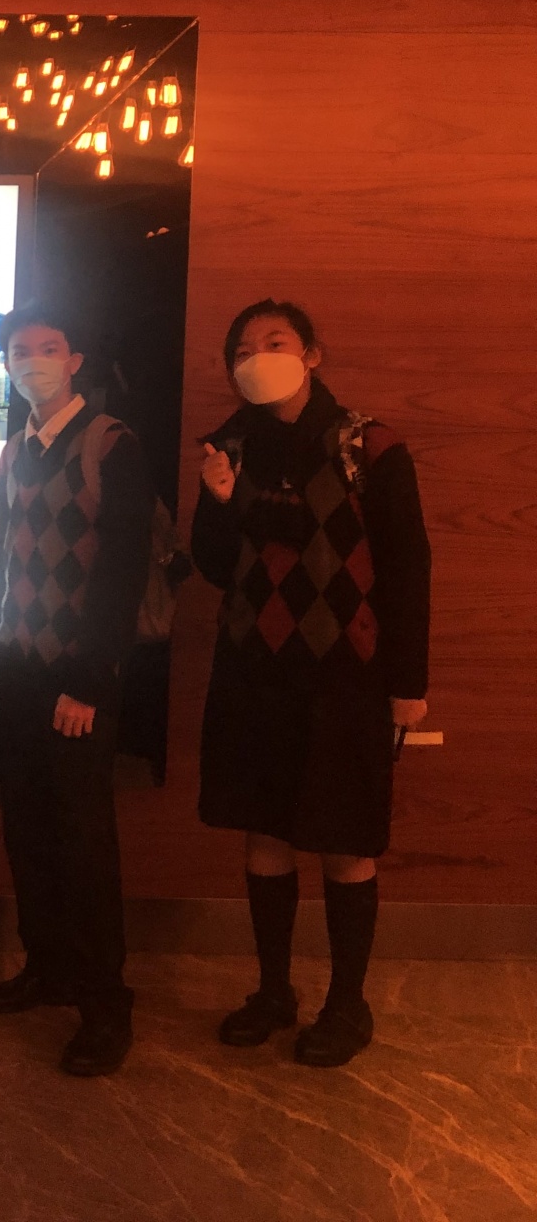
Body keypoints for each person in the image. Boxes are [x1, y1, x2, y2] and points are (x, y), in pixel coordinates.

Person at [193, 300, 430, 1067]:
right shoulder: (228, 446)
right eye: (243, 349)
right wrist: (220, 501)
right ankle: (273, 993)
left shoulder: (371, 445)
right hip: (254, 672)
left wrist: (409, 684)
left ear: (312, 354)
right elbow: (210, 564)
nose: (257, 356)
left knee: (345, 842)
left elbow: (408, 569)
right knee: (264, 833)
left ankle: (348, 1005)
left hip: (346, 678)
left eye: (275, 341)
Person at [0, 302, 154, 1077]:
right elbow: (3, 564)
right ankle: (44, 969)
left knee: (83, 842)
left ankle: (106, 1003)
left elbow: (122, 572)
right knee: (28, 830)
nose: (33, 362)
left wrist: (87, 682)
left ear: (76, 361)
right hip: (17, 668)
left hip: (78, 677)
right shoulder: (15, 449)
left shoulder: (111, 445)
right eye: (21, 351)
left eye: (49, 349)